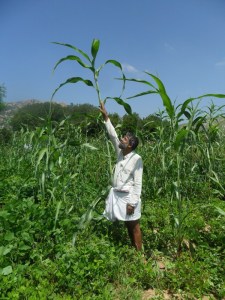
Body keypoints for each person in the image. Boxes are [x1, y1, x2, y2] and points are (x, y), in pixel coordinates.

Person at [100, 101, 143, 251]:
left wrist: (132, 203)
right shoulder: (120, 154)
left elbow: (138, 183)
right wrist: (107, 118)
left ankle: (140, 256)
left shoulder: (136, 159)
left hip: (128, 198)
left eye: (124, 139)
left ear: (130, 145)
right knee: (127, 224)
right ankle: (133, 250)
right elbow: (113, 136)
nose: (121, 139)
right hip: (118, 196)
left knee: (134, 225)